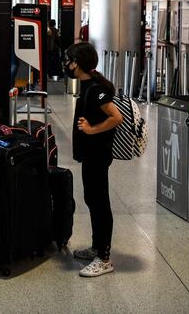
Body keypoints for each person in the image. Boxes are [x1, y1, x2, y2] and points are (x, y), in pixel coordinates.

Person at [63, 42, 123, 277]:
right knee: (91, 198)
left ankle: (104, 258)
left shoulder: (96, 89)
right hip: (90, 155)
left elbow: (115, 117)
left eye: (69, 59)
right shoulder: (87, 86)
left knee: (99, 203)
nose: (66, 64)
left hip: (98, 154)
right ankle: (97, 247)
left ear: (78, 63)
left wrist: (91, 129)